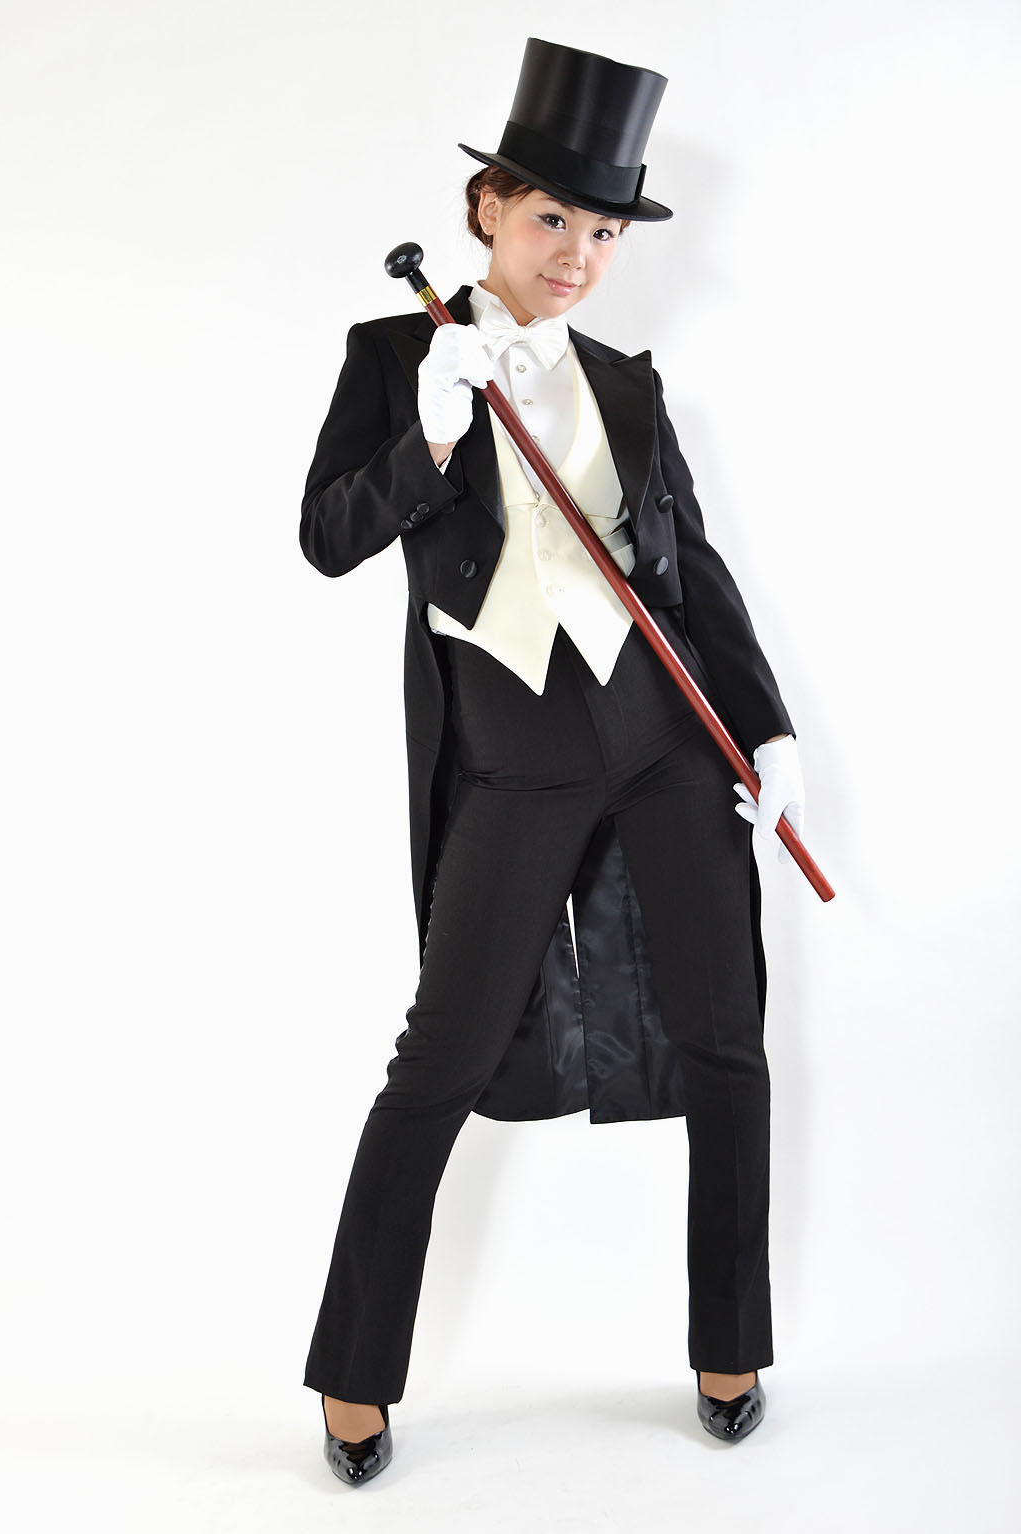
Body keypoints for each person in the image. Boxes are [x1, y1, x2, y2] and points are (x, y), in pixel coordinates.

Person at [298, 38, 806, 1486]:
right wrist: (431, 430)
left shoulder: (630, 385)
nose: (577, 254)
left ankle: (730, 1345)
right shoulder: (392, 355)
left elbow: (692, 574)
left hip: (664, 747)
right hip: (512, 760)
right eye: (550, 220)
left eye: (603, 230)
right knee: (438, 1063)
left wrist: (768, 728)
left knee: (727, 1039)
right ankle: (354, 1374)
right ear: (487, 212)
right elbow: (328, 537)